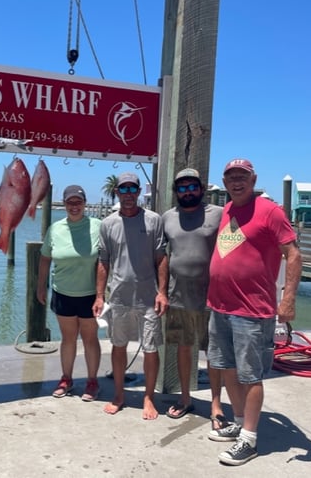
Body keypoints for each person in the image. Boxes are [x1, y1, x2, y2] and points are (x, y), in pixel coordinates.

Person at [207, 159, 302, 466]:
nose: (237, 181)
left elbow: (293, 253)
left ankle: (249, 439)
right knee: (228, 368)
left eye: (242, 177)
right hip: (220, 306)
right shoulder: (228, 210)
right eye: (231, 177)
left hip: (252, 310)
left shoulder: (270, 211)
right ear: (225, 182)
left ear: (253, 179)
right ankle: (238, 421)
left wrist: (287, 299)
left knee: (251, 376)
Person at [92, 172, 169, 419]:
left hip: (148, 297)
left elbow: (161, 258)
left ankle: (148, 397)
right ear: (117, 192)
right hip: (119, 297)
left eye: (131, 189)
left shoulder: (154, 220)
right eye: (123, 190)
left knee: (150, 348)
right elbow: (103, 261)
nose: (128, 194)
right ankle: (119, 394)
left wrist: (163, 292)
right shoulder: (107, 224)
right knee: (118, 346)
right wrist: (99, 296)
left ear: (138, 192)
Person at [162, 168, 227, 429]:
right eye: (182, 188)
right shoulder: (168, 217)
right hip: (179, 295)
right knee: (183, 347)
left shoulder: (219, 214)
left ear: (201, 189)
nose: (187, 192)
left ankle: (216, 404)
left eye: (192, 187)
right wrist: (160, 290)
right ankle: (185, 398)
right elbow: (161, 256)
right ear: (176, 192)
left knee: (214, 352)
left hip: (213, 296)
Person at [37, 185, 102, 401]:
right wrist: (40, 285)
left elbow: (108, 259)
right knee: (68, 338)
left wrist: (103, 293)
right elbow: (45, 258)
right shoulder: (55, 229)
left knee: (90, 338)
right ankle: (66, 378)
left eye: (78, 202)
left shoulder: (98, 226)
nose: (74, 206)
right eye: (70, 202)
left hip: (90, 294)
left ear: (85, 203)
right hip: (62, 292)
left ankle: (92, 381)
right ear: (64, 204)